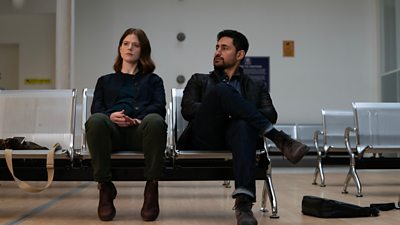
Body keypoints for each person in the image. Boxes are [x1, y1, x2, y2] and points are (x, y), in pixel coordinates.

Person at [179, 30, 309, 225]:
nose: (217, 52)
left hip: (239, 139)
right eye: (216, 47)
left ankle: (243, 206)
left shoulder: (256, 85)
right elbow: (188, 109)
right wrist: (226, 107)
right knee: (223, 91)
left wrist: (238, 112)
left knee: (241, 124)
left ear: (240, 55)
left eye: (224, 48)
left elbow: (271, 114)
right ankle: (280, 139)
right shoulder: (199, 80)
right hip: (204, 136)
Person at [85, 28, 167, 222]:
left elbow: (159, 108)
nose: (130, 48)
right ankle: (105, 188)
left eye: (136, 45)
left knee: (155, 121)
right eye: (126, 43)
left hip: (140, 133)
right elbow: (96, 108)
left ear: (143, 51)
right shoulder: (104, 81)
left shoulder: (154, 80)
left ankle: (151, 188)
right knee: (96, 121)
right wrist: (110, 116)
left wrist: (137, 120)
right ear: (120, 49)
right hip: (111, 134)